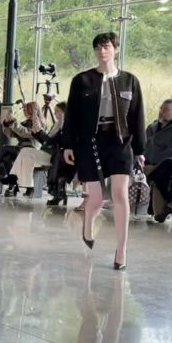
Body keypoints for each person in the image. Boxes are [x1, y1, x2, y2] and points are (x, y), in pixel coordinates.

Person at [61, 32, 146, 271]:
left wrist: (140, 149)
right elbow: (72, 116)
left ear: (115, 49)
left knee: (119, 195)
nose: (102, 51)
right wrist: (68, 144)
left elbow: (137, 116)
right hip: (90, 142)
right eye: (98, 47)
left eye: (106, 46)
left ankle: (121, 250)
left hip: (120, 143)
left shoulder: (130, 81)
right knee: (96, 198)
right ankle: (88, 221)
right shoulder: (82, 80)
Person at [11, 101, 67, 196]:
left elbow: (52, 142)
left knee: (25, 152)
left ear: (64, 112)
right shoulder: (56, 125)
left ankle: (13, 178)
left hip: (54, 156)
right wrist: (36, 133)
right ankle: (28, 186)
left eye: (57, 111)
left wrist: (39, 131)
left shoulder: (64, 126)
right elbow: (46, 142)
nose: (54, 113)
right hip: (46, 152)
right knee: (26, 158)